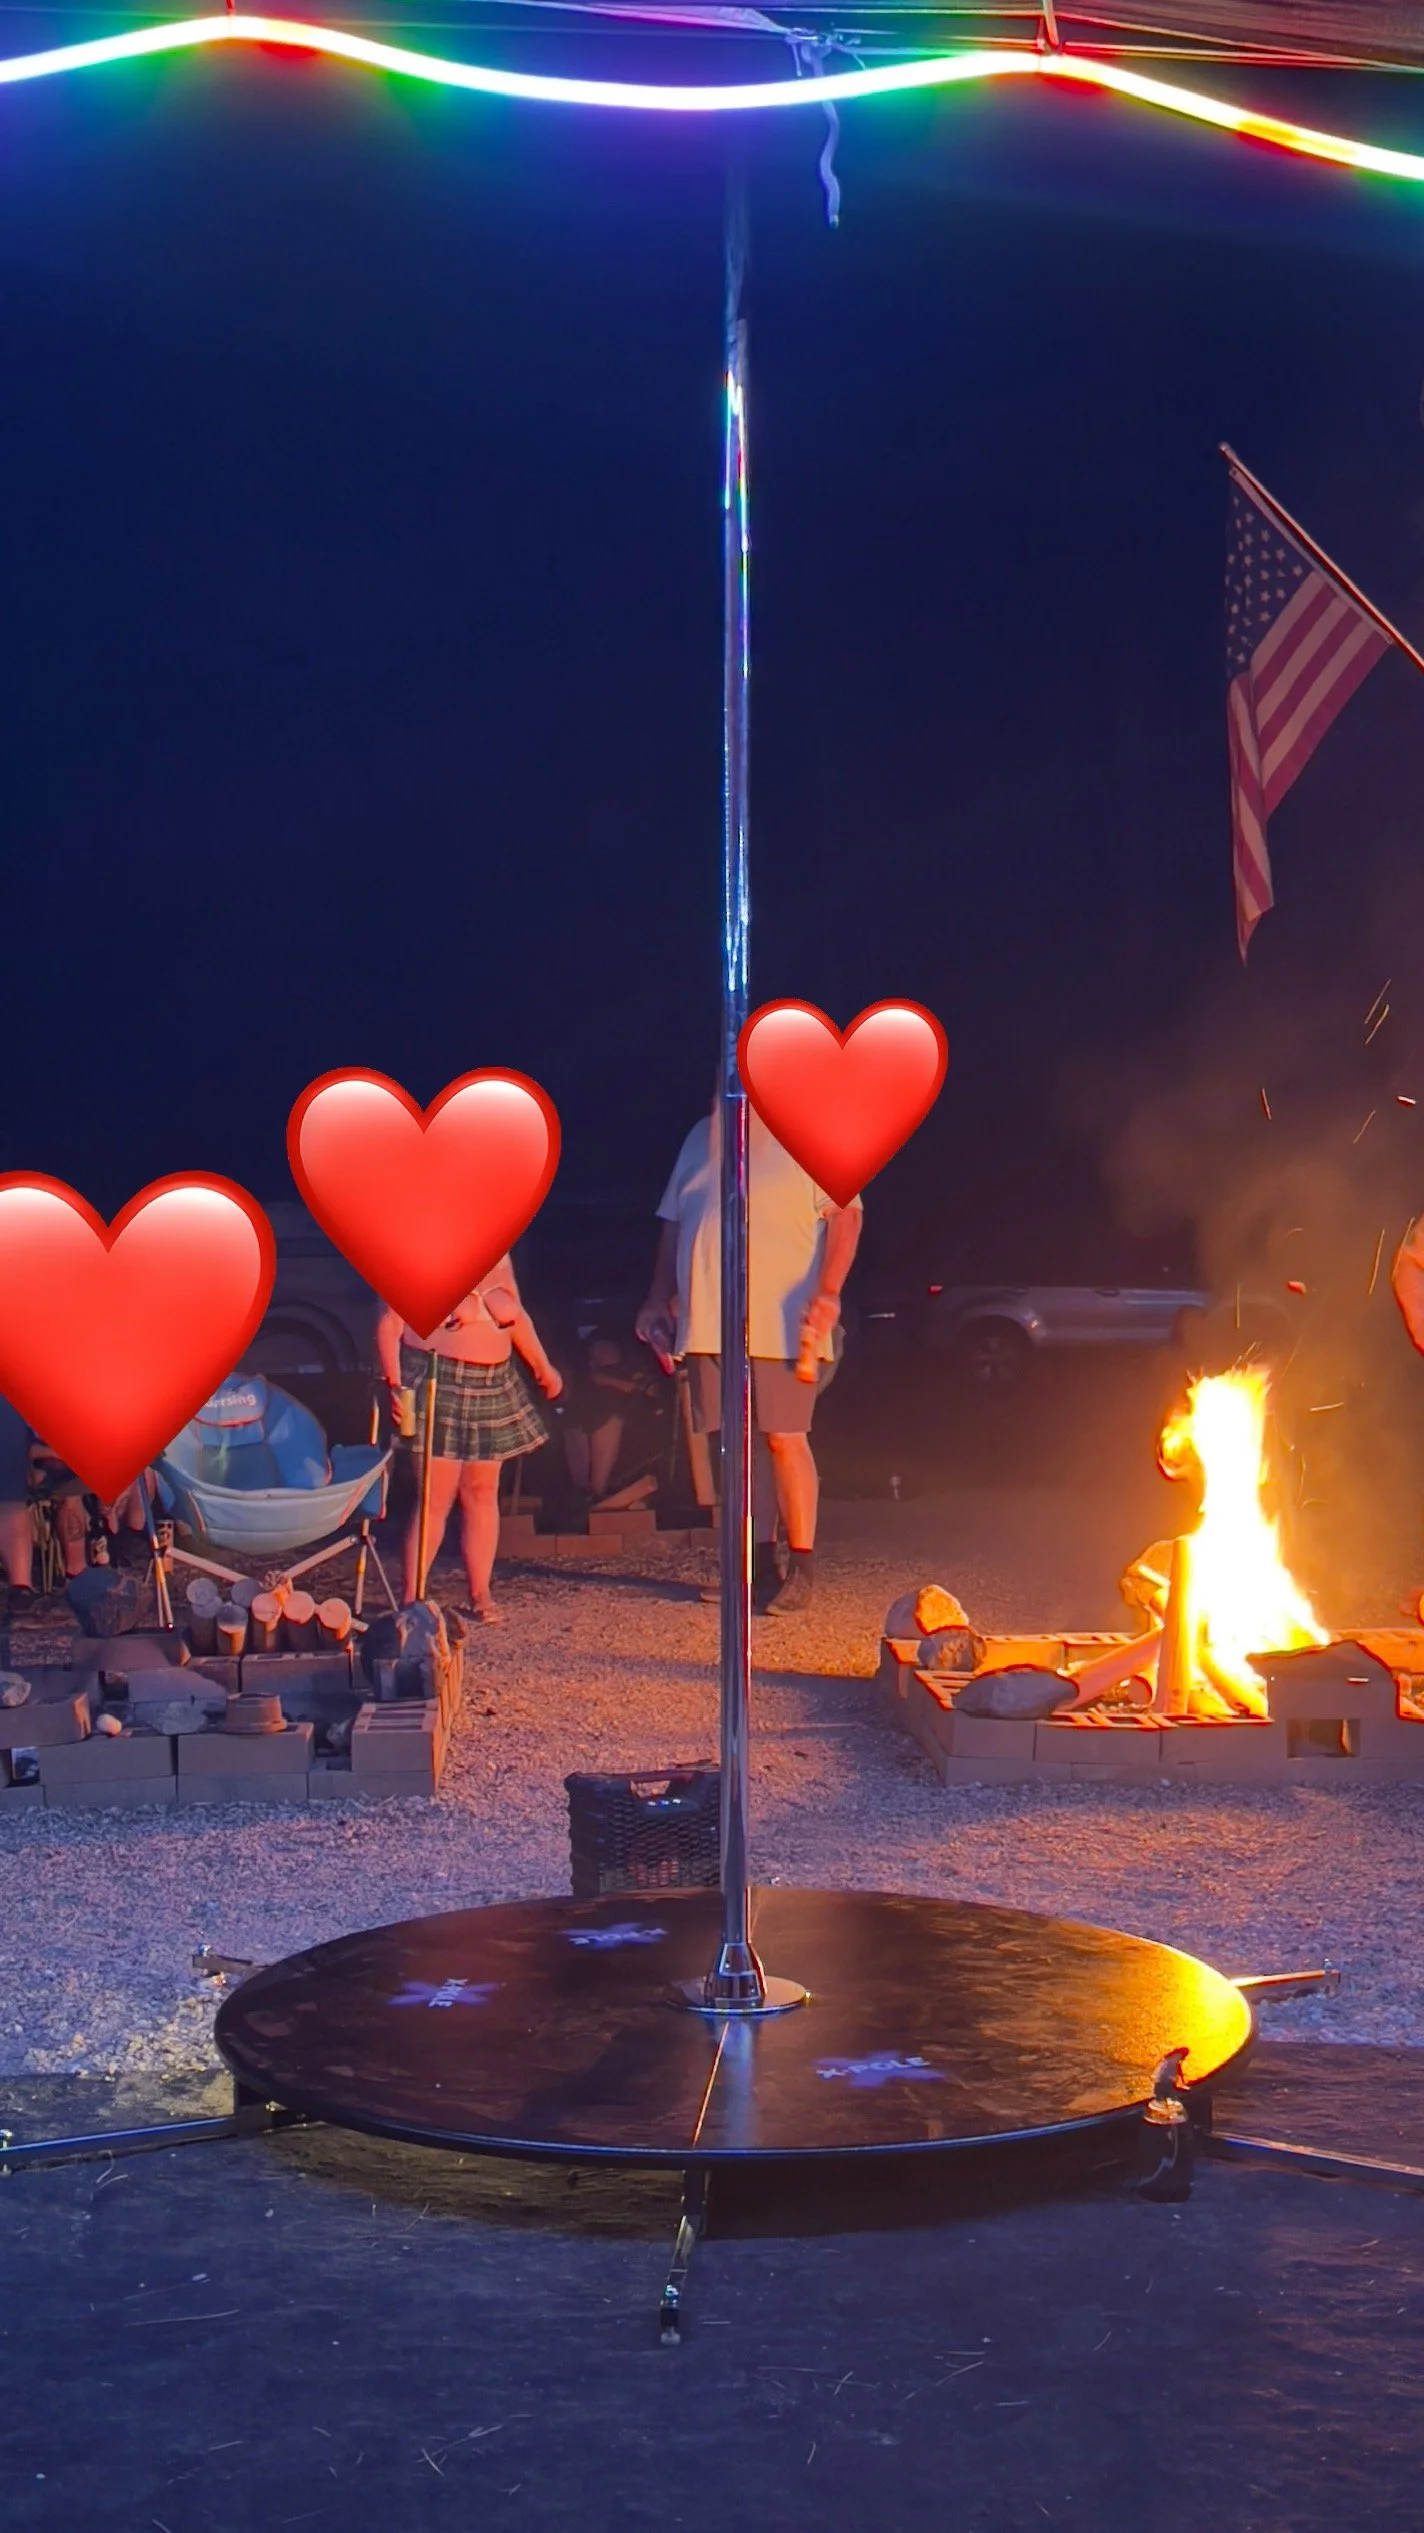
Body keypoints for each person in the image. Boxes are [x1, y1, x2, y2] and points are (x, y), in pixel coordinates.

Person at [636, 1096, 862, 1614]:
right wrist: (656, 1296)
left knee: (784, 1439)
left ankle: (802, 1568)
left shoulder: (809, 1130)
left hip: (784, 1322)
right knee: (731, 1449)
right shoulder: (701, 1134)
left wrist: (828, 1291)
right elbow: (673, 1224)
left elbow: (847, 1214)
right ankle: (755, 1570)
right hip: (709, 1321)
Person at [375, 1256, 561, 1622]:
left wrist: (542, 1366)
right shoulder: (415, 1249)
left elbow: (516, 1316)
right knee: (436, 1495)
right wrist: (394, 1385)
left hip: (491, 1381)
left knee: (481, 1490)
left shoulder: (498, 1252)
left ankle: (480, 1593)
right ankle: (412, 1597)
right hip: (437, 1376)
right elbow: (389, 1322)